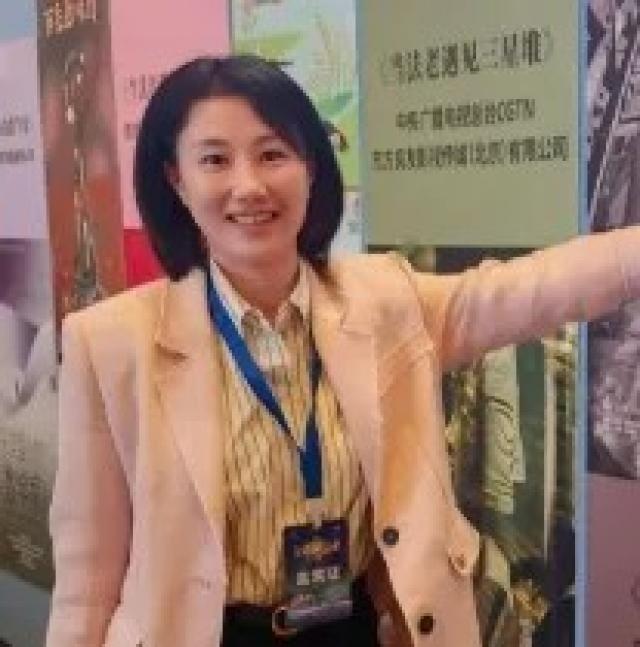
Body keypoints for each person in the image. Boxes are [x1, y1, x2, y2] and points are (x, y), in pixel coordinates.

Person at [45, 54, 640, 647]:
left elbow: (529, 291)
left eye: (272, 154)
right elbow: (87, 583)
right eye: (215, 160)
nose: (249, 186)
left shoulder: (386, 301)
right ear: (177, 180)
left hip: (349, 628)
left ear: (310, 167)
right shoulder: (111, 342)